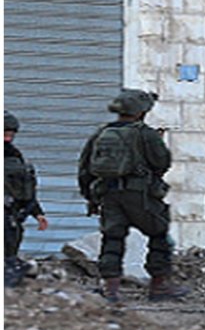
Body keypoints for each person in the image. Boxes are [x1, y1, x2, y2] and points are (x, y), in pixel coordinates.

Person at [77, 89, 187, 303]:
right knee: (159, 236)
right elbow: (161, 164)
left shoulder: (101, 133)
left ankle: (110, 290)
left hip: (108, 195)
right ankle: (159, 287)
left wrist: (90, 198)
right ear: (141, 112)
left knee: (112, 239)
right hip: (140, 196)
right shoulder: (145, 134)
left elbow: (85, 169)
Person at [5, 112, 48, 288]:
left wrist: (37, 213)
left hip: (11, 214)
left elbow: (24, 190)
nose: (7, 139)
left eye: (10, 134)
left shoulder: (14, 156)